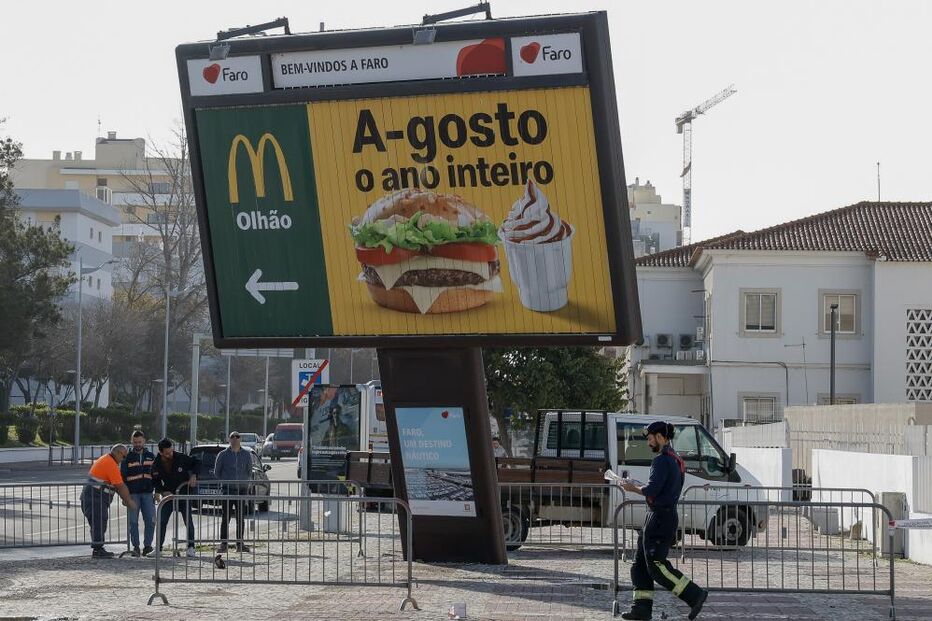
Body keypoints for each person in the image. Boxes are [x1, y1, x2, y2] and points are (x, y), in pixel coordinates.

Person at [620, 421, 708, 620]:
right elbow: (661, 489)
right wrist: (641, 487)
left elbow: (652, 490)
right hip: (661, 516)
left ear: (660, 437)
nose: (649, 443)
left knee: (657, 567)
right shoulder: (676, 460)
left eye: (650, 439)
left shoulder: (661, 460)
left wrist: (631, 487)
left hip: (660, 518)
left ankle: (694, 595)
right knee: (640, 565)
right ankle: (641, 609)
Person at [80, 444, 137, 558]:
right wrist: (129, 501)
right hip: (95, 497)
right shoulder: (110, 463)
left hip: (94, 496)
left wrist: (124, 498)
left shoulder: (107, 460)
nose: (123, 460)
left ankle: (98, 548)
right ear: (118, 453)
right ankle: (97, 550)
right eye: (124, 456)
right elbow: (120, 486)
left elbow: (115, 485)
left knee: (99, 522)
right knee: (99, 522)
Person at [151, 438, 198, 557]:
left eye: (171, 451)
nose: (170, 454)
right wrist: (161, 491)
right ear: (161, 452)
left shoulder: (181, 457)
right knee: (161, 521)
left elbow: (197, 462)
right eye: (167, 453)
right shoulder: (156, 463)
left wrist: (194, 475)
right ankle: (158, 548)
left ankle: (191, 547)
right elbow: (155, 480)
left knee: (188, 521)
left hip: (184, 494)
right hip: (168, 496)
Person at [213, 431, 253, 553]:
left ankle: (240, 544)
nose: (235, 439)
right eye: (232, 437)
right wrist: (226, 482)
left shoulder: (246, 454)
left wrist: (244, 483)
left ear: (240, 439)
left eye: (237, 437)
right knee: (226, 517)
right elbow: (217, 472)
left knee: (240, 518)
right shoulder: (223, 455)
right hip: (228, 490)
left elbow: (249, 471)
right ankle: (224, 544)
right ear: (229, 439)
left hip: (241, 490)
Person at [121, 430, 156, 557]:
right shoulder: (127, 458)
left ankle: (147, 546)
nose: (137, 444)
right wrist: (124, 496)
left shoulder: (151, 456)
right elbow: (123, 478)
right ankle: (135, 547)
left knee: (150, 521)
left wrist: (157, 492)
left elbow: (156, 475)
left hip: (147, 494)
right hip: (132, 495)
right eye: (135, 442)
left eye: (139, 442)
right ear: (132, 442)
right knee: (133, 522)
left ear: (144, 441)